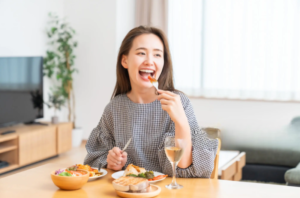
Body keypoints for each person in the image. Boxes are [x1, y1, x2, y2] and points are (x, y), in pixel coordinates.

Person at [84, 26, 218, 178]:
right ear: (125, 60)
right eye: (141, 53)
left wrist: (181, 121)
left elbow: (183, 168)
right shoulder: (114, 108)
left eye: (157, 55)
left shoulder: (180, 103)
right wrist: (111, 162)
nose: (149, 61)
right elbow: (95, 160)